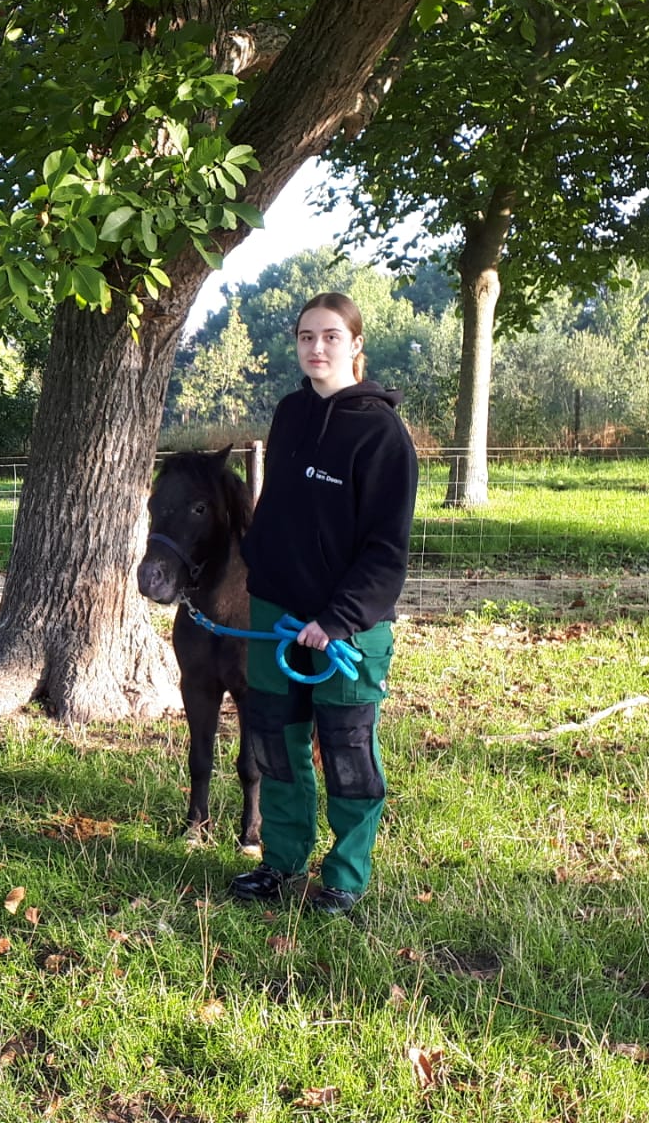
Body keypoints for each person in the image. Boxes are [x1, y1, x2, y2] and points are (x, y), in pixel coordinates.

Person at [228, 293, 418, 915]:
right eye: (307, 336)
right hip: (277, 616)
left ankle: (344, 876)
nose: (317, 348)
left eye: (331, 337)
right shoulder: (289, 414)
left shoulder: (382, 432)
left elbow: (386, 550)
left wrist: (334, 620)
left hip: (347, 629)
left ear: (356, 345)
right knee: (274, 746)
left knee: (346, 750)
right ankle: (282, 863)